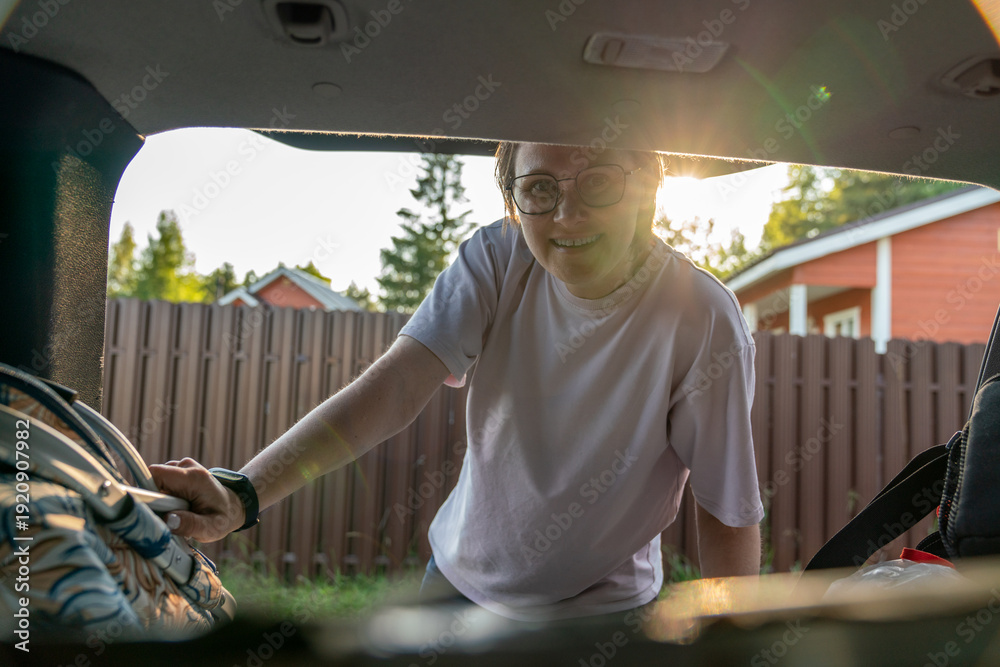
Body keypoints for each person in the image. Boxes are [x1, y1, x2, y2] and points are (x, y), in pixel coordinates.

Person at [149, 141, 763, 622]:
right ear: (513, 203)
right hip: (456, 588)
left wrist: (734, 646)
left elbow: (726, 507)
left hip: (604, 617)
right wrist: (242, 495)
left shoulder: (702, 317)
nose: (568, 213)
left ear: (651, 184)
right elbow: (394, 387)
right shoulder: (499, 259)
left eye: (600, 181)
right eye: (540, 189)